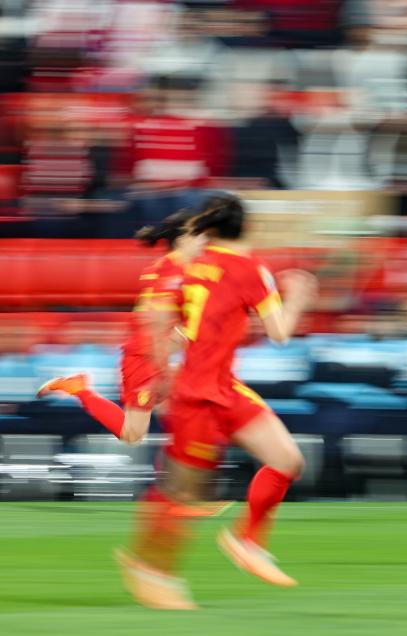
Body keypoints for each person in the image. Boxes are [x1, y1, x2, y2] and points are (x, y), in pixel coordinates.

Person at [115, 193, 318, 610]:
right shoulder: (251, 268)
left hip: (222, 387)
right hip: (199, 396)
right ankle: (151, 569)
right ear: (247, 227)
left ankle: (247, 541)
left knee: (286, 460)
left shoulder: (188, 263)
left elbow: (157, 319)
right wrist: (299, 296)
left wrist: (162, 367)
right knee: (184, 490)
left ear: (209, 229)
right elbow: (279, 333)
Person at [37, 209, 207, 444]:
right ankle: (80, 389)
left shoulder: (186, 271)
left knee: (194, 407)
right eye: (199, 235)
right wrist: (165, 366)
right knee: (133, 434)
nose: (204, 241)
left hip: (156, 355)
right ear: (182, 239)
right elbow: (155, 323)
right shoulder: (169, 271)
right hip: (144, 360)